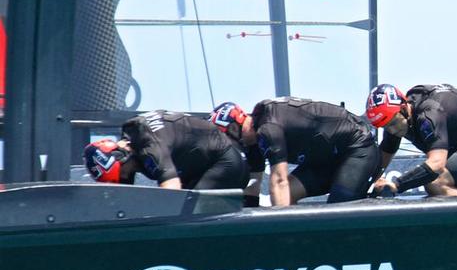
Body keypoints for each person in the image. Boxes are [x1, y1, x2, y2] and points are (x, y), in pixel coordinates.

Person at [209, 97, 379, 206]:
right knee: (288, 193)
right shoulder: (251, 144)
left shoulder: (267, 129)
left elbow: (279, 181)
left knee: (339, 207)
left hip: (356, 148)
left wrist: (281, 234)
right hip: (327, 159)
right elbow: (252, 190)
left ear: (232, 128)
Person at [365, 83, 457, 196]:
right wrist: (367, 185)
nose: (392, 130)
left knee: (436, 182)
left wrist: (397, 184)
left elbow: (436, 164)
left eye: (393, 123)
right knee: (448, 190)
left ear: (403, 108)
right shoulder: (395, 118)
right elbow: (382, 159)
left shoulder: (429, 114)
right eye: (385, 127)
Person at [83, 110, 248, 190]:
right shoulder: (132, 132)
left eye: (123, 172)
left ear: (121, 156)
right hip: (204, 166)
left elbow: (172, 188)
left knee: (190, 211)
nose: (127, 176)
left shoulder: (150, 147)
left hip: (226, 162)